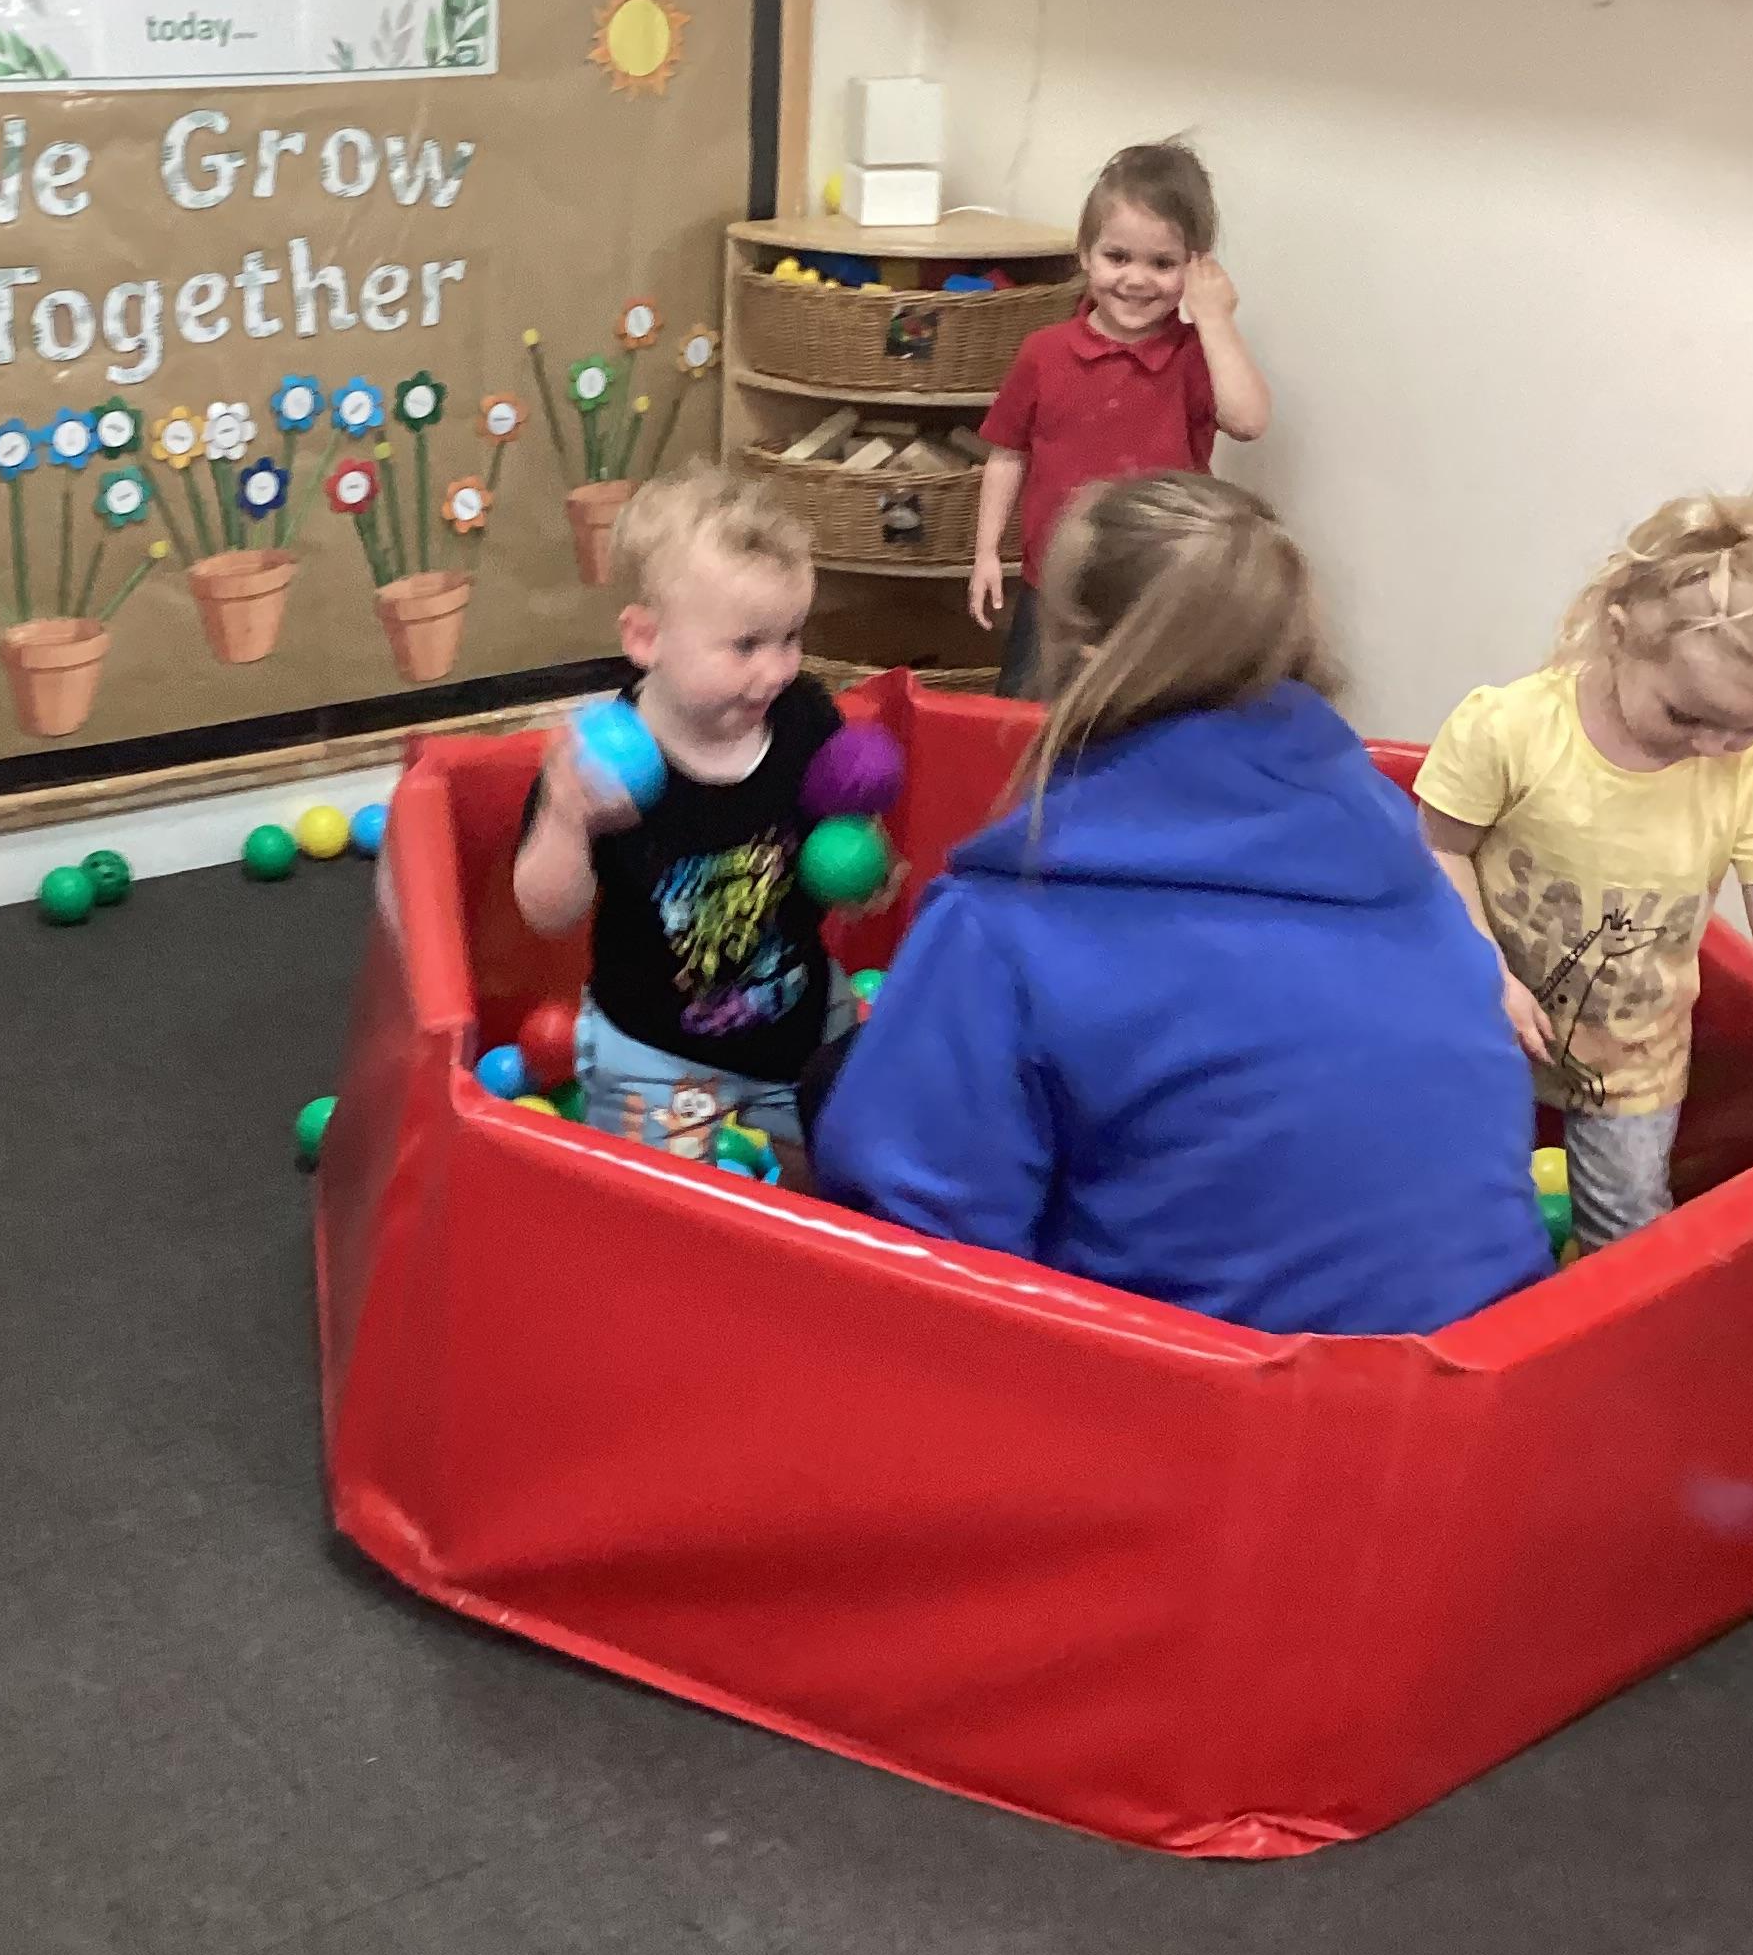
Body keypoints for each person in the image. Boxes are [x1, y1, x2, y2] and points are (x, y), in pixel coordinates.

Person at [817, 474, 1550, 1336]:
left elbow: (916, 1248)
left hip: (1212, 1396)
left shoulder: (1006, 923)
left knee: (846, 1082)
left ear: (1081, 661)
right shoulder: (1401, 860)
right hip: (1495, 1370)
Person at [1416, 493, 1753, 1254]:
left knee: (1629, 1232)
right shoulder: (1510, 729)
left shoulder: (1748, 769)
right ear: (1618, 634)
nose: (1716, 747)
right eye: (1687, 715)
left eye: (1750, 727)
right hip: (1488, 1024)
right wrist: (1485, 969)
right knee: (1465, 1203)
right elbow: (1436, 850)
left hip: (1633, 1063)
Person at [513, 461, 848, 1152]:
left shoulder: (806, 719)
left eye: (790, 637)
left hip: (799, 1026)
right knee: (661, 1205)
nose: (776, 671)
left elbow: (839, 850)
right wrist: (566, 819)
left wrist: (866, 865)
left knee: (831, 1177)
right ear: (646, 639)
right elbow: (547, 914)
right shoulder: (599, 763)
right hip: (656, 1057)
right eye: (745, 645)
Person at [968, 140, 1271, 698]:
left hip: (1160, 586)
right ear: (1085, 254)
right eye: (1117, 257)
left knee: (1146, 715)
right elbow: (1008, 455)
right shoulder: (1044, 352)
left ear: (1196, 268)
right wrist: (987, 552)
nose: (1136, 279)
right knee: (1027, 717)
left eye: (1163, 264)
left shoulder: (1197, 356)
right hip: (1054, 583)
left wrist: (1214, 318)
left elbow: (1248, 421)